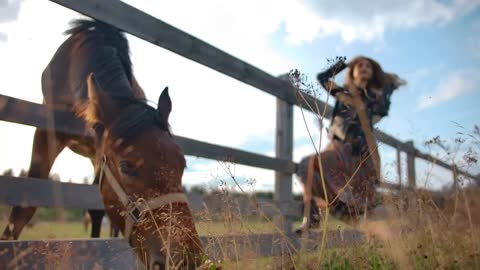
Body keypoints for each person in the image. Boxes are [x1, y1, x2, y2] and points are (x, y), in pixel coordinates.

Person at [295, 56, 405, 233]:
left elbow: (383, 109)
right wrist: (342, 64)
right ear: (352, 72)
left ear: (373, 73)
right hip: (339, 147)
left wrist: (388, 84)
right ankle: (312, 218)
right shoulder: (342, 94)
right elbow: (322, 79)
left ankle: (366, 228)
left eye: (368, 66)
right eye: (359, 65)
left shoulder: (374, 99)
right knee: (308, 166)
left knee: (365, 190)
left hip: (363, 151)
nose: (363, 67)